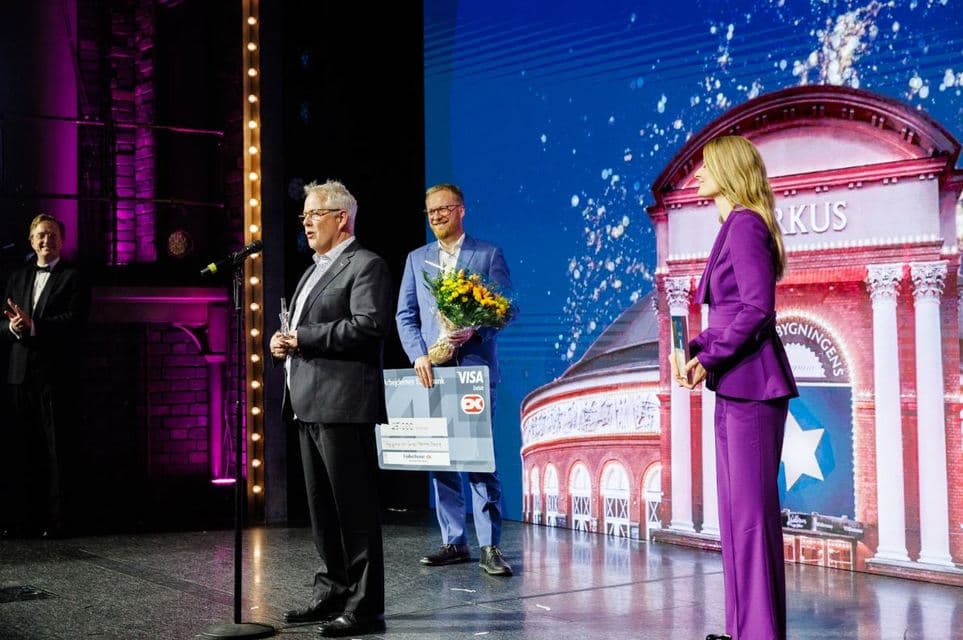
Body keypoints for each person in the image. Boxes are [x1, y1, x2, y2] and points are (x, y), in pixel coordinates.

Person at [671, 136, 798, 640]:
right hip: (736, 386)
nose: (699, 175)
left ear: (728, 170)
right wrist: (697, 350)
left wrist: (709, 358)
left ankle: (759, 633)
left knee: (750, 520)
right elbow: (729, 315)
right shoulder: (734, 225)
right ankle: (744, 627)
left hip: (754, 388)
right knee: (735, 518)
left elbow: (757, 309)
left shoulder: (745, 224)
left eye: (706, 166)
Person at [270, 180, 392, 638]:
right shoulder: (311, 271)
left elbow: (369, 325)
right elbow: (299, 328)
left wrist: (303, 338)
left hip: (343, 404)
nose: (306, 222)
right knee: (322, 512)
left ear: (342, 218)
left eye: (314, 214)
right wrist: (282, 341)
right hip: (308, 403)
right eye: (303, 215)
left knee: (354, 512)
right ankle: (333, 591)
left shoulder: (366, 264)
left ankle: (365, 608)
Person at [396, 182, 514, 577]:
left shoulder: (487, 254)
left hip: (474, 371)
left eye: (443, 209)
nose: (436, 216)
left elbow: (506, 309)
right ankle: (454, 541)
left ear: (461, 210)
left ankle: (490, 546)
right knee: (441, 459)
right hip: (433, 372)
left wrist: (476, 328)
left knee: (479, 458)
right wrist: (418, 355)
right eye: (430, 211)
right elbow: (405, 315)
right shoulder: (417, 259)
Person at [2, 213, 90, 538]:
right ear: (31, 240)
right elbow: (2, 322)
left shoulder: (73, 277)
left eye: (52, 234)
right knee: (20, 449)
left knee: (56, 453)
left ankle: (58, 523)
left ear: (62, 241)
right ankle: (22, 520)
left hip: (54, 376)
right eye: (40, 235)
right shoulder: (17, 277)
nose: (46, 240)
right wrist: (13, 327)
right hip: (19, 375)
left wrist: (34, 326)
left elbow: (75, 322)